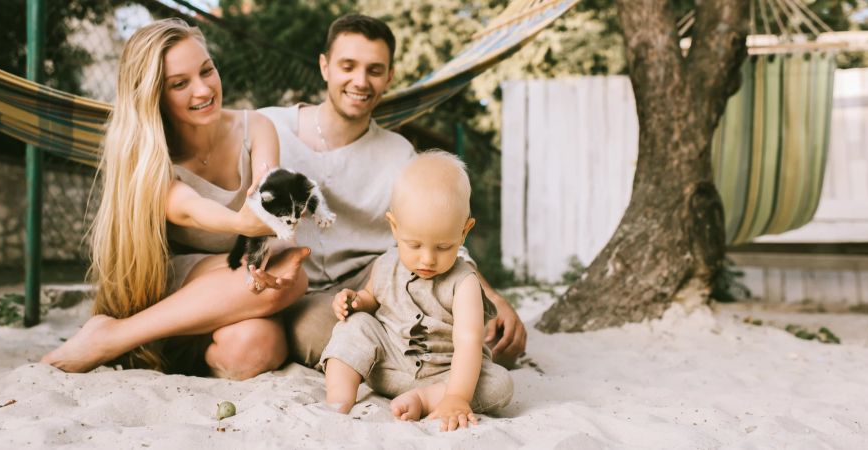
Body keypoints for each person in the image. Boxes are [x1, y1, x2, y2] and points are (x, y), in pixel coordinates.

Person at [41, 18, 311, 379]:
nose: (202, 90)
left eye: (207, 71)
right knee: (289, 278)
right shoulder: (150, 155)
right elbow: (188, 209)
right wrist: (237, 222)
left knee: (254, 345)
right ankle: (112, 338)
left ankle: (138, 339)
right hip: (176, 281)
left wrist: (272, 207)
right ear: (154, 95)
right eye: (180, 84)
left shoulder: (255, 127)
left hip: (238, 275)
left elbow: (267, 187)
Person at [256, 13, 527, 370]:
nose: (360, 81)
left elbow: (441, 229)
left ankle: (423, 347)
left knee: (476, 318)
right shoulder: (269, 128)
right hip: (296, 284)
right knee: (316, 331)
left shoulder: (398, 152)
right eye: (348, 66)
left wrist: (491, 298)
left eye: (374, 70)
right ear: (325, 67)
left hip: (378, 276)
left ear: (389, 77)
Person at [322, 151, 513, 431]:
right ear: (394, 227)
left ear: (464, 232)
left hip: (447, 375)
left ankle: (425, 400)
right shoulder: (385, 264)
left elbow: (469, 341)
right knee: (355, 325)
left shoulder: (465, 283)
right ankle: (338, 398)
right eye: (414, 245)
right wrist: (355, 302)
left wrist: (458, 396)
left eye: (443, 247)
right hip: (388, 365)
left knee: (499, 385)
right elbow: (370, 299)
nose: (427, 259)